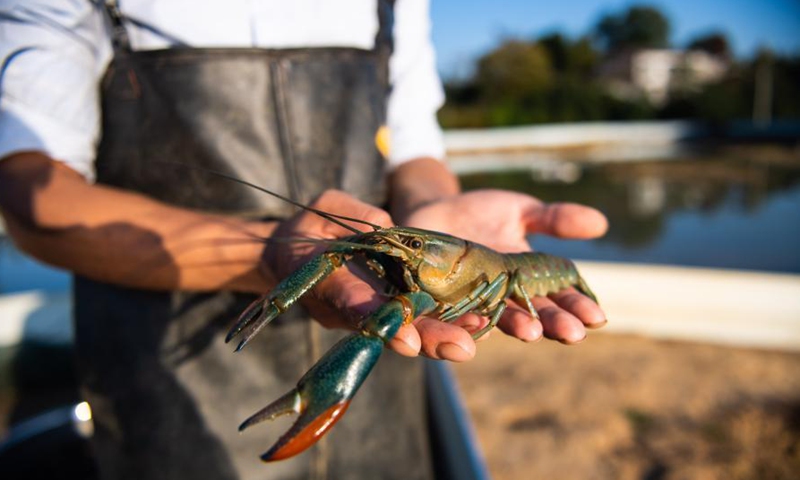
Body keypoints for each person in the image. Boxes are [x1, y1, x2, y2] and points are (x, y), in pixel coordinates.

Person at [0, 1, 608, 479]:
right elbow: (30, 194)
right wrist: (265, 254)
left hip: (387, 381)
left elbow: (414, 147)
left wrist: (430, 203)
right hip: (163, 364)